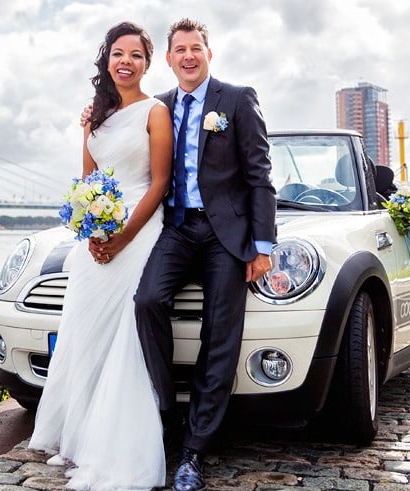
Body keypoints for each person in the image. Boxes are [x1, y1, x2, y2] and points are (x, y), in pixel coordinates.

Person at [80, 18, 276, 491]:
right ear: (167, 59)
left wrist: (263, 246)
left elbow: (259, 175)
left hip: (226, 235)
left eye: (196, 48)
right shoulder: (159, 107)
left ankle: (194, 450)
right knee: (147, 301)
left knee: (220, 334)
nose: (188, 56)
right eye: (179, 50)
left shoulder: (237, 99)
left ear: (209, 53)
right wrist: (94, 115)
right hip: (176, 229)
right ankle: (166, 415)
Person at [28, 21, 173, 491]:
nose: (125, 62)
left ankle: (112, 446)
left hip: (140, 227)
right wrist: (91, 227)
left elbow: (159, 183)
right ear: (106, 60)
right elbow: (87, 184)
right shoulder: (93, 117)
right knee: (85, 328)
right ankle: (78, 435)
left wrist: (123, 235)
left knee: (121, 331)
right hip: (98, 232)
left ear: (147, 64)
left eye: (135, 54)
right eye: (118, 53)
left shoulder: (156, 112)